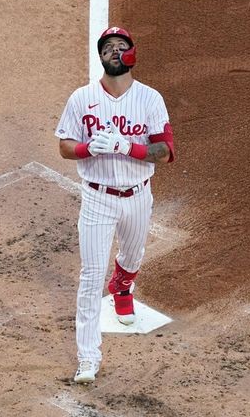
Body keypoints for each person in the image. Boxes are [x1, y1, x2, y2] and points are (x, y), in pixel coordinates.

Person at [55, 26, 176, 384]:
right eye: (107, 47)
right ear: (101, 56)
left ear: (132, 53)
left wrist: (127, 147)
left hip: (138, 195)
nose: (114, 51)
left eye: (121, 46)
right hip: (97, 198)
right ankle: (88, 358)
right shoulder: (82, 98)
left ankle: (122, 286)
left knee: (133, 257)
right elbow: (64, 145)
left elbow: (164, 152)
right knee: (90, 279)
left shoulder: (150, 99)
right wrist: (87, 148)